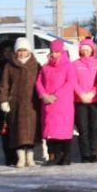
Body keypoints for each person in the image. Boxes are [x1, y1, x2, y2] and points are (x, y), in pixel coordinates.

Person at [0, 38, 42, 167]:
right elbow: (4, 85)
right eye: (19, 51)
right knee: (17, 132)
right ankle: (21, 158)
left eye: (24, 50)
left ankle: (30, 157)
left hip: (32, 103)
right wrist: (3, 100)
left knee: (31, 132)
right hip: (15, 104)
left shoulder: (36, 65)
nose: (22, 53)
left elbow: (41, 83)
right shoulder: (9, 65)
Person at [35, 38, 76, 166]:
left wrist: (55, 96)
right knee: (50, 132)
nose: (54, 54)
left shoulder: (68, 65)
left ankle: (65, 156)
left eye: (57, 52)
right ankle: (53, 155)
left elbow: (70, 83)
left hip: (63, 104)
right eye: (52, 52)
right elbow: (38, 82)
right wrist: (43, 95)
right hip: (48, 104)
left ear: (62, 51)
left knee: (63, 131)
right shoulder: (45, 67)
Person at [71, 38, 97, 162]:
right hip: (79, 101)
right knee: (83, 129)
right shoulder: (75, 64)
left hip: (95, 100)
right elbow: (73, 82)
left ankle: (93, 153)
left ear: (92, 50)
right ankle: (85, 154)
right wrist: (81, 94)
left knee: (94, 128)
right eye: (83, 50)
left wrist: (92, 93)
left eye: (87, 50)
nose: (85, 52)